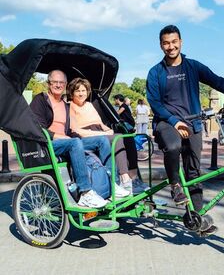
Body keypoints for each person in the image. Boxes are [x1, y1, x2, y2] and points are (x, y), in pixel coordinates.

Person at [146, 25, 224, 234]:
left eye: (174, 42)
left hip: (193, 122)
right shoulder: (156, 72)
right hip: (167, 122)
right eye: (166, 43)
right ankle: (175, 185)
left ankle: (195, 218)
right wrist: (174, 121)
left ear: (181, 42)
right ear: (161, 45)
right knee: (173, 147)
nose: (171, 46)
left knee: (194, 171)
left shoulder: (192, 67)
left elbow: (218, 82)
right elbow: (155, 103)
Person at [30, 70, 122, 208]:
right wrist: (57, 136)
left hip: (68, 142)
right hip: (48, 143)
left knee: (102, 140)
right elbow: (37, 127)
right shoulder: (41, 100)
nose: (58, 85)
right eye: (55, 82)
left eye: (61, 82)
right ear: (48, 83)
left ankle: (113, 184)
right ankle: (85, 192)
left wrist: (79, 137)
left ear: (66, 84)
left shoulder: (65, 105)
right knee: (75, 143)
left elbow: (71, 130)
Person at [67, 78, 147, 194]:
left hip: (100, 131)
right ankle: (125, 178)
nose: (81, 93)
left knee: (127, 137)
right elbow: (76, 130)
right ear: (72, 92)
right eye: (77, 91)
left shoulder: (89, 105)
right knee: (117, 139)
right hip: (87, 135)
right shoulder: (70, 106)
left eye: (83, 90)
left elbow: (100, 123)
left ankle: (134, 178)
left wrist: (108, 130)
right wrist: (104, 133)